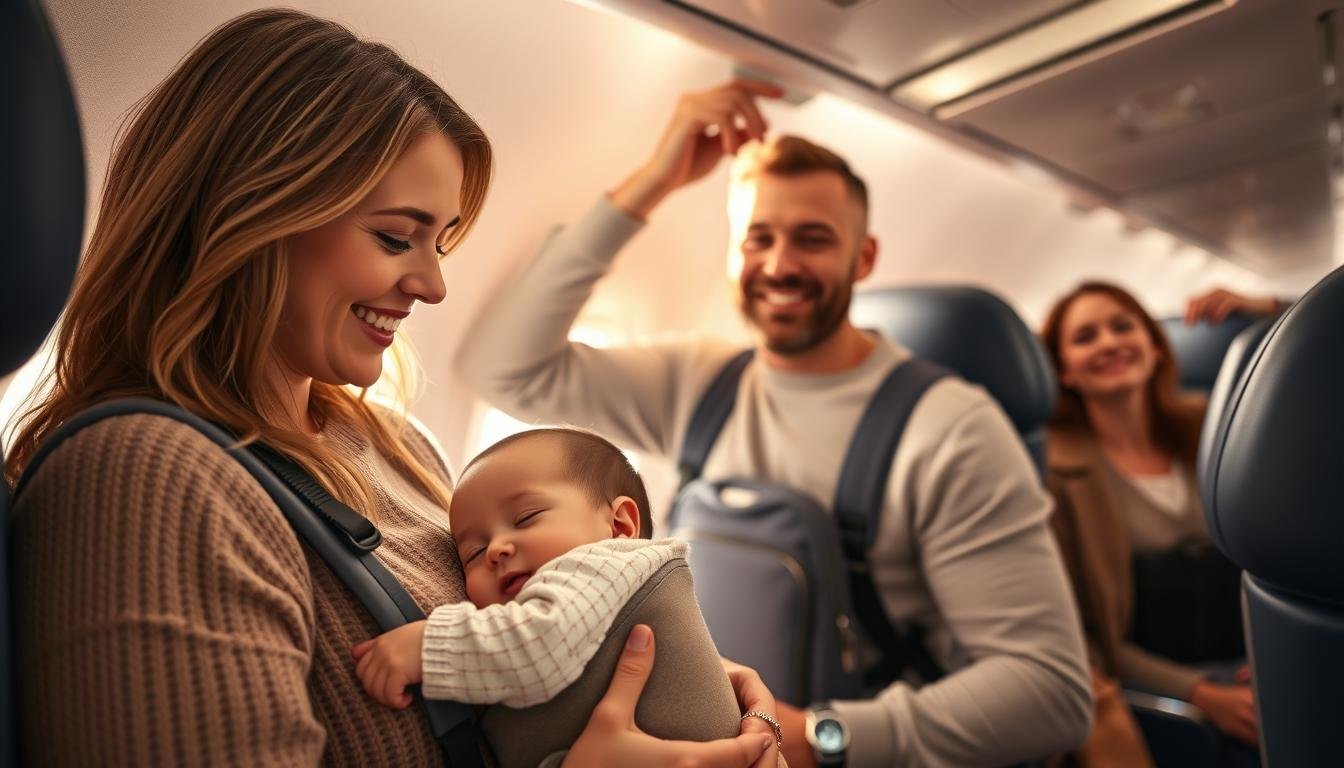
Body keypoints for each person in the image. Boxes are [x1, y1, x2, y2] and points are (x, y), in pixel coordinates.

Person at [5, 10, 778, 767]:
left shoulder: (395, 445)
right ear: (251, 215)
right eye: (394, 237)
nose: (434, 286)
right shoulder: (148, 481)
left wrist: (682, 689)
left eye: (440, 242)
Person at [456, 80, 1093, 768]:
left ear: (864, 258)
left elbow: (1050, 693)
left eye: (812, 239)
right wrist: (654, 181)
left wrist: (817, 735)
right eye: (758, 238)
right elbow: (504, 367)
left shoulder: (951, 429)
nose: (780, 265)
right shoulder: (699, 382)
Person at [351, 428, 749, 767]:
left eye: (525, 518)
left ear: (619, 526)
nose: (496, 549)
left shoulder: (609, 561)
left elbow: (541, 642)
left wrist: (430, 646)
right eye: (473, 552)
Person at [1040, 281, 1270, 763]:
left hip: (1257, 662)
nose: (1108, 343)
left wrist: (1271, 652)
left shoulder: (1215, 428)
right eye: (1085, 337)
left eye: (1122, 326)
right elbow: (1081, 637)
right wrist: (1203, 694)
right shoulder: (1055, 476)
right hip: (1158, 695)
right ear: (1064, 370)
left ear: (1155, 347)